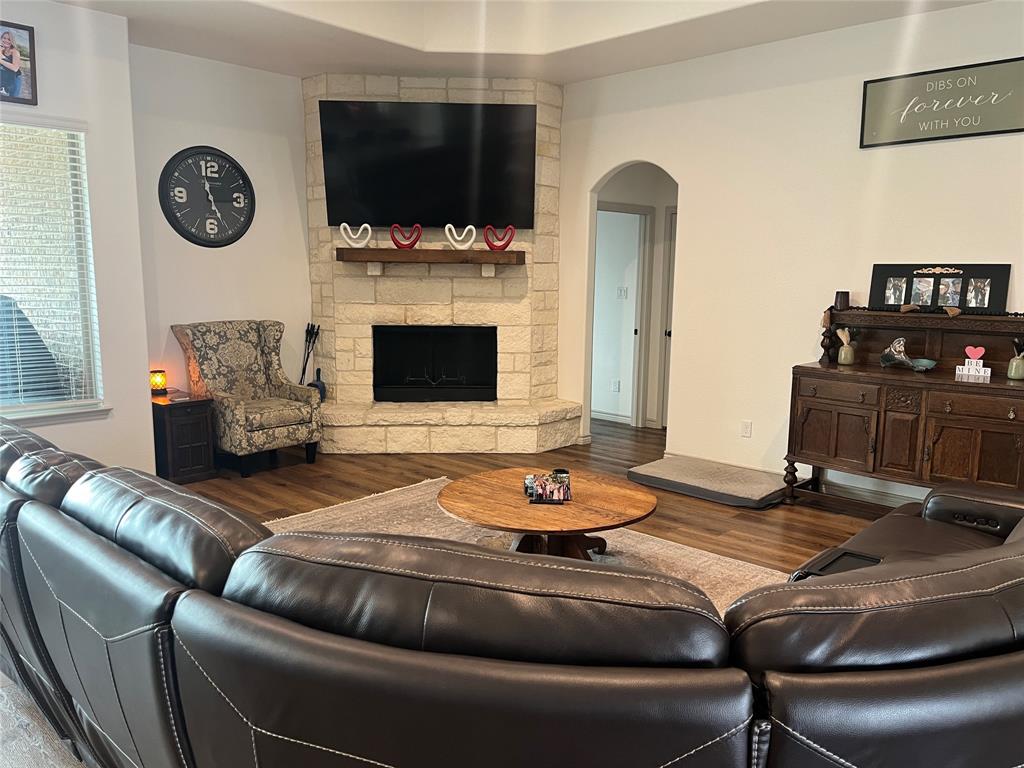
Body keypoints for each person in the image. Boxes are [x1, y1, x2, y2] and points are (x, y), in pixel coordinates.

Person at [0, 30, 23, 99]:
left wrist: (0, 60)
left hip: (15, 78)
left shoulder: (15, 52)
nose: (6, 41)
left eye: (9, 39)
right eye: (4, 38)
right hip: (4, 77)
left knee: (13, 98)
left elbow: (15, 68)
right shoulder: (1, 50)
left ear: (12, 41)